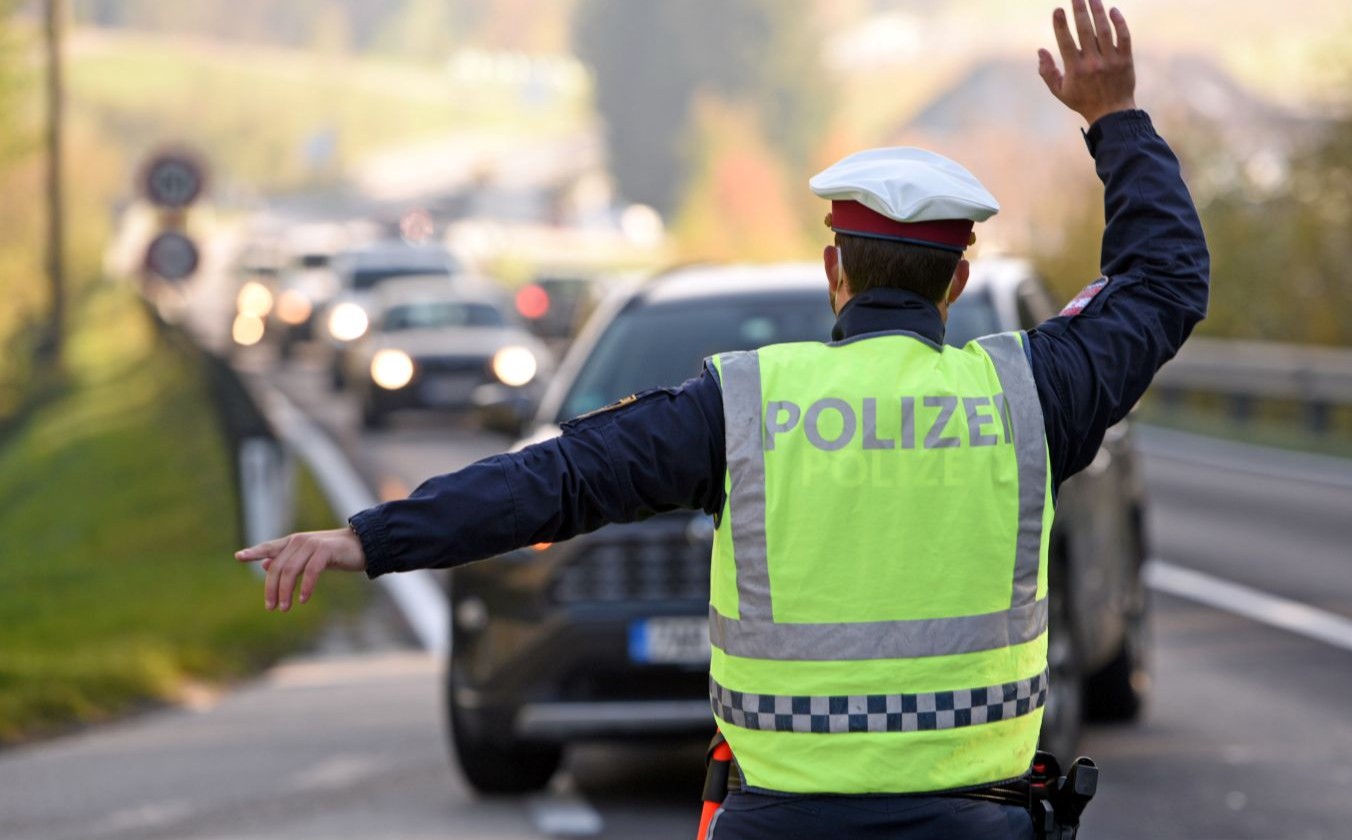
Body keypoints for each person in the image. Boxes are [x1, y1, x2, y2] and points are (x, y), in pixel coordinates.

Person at [236, 3, 1208, 837]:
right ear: (957, 282)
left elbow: (557, 478)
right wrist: (1113, 119)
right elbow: (1163, 281)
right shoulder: (1025, 398)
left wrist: (368, 537)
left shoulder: (746, 405)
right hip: (971, 821)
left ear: (835, 271)